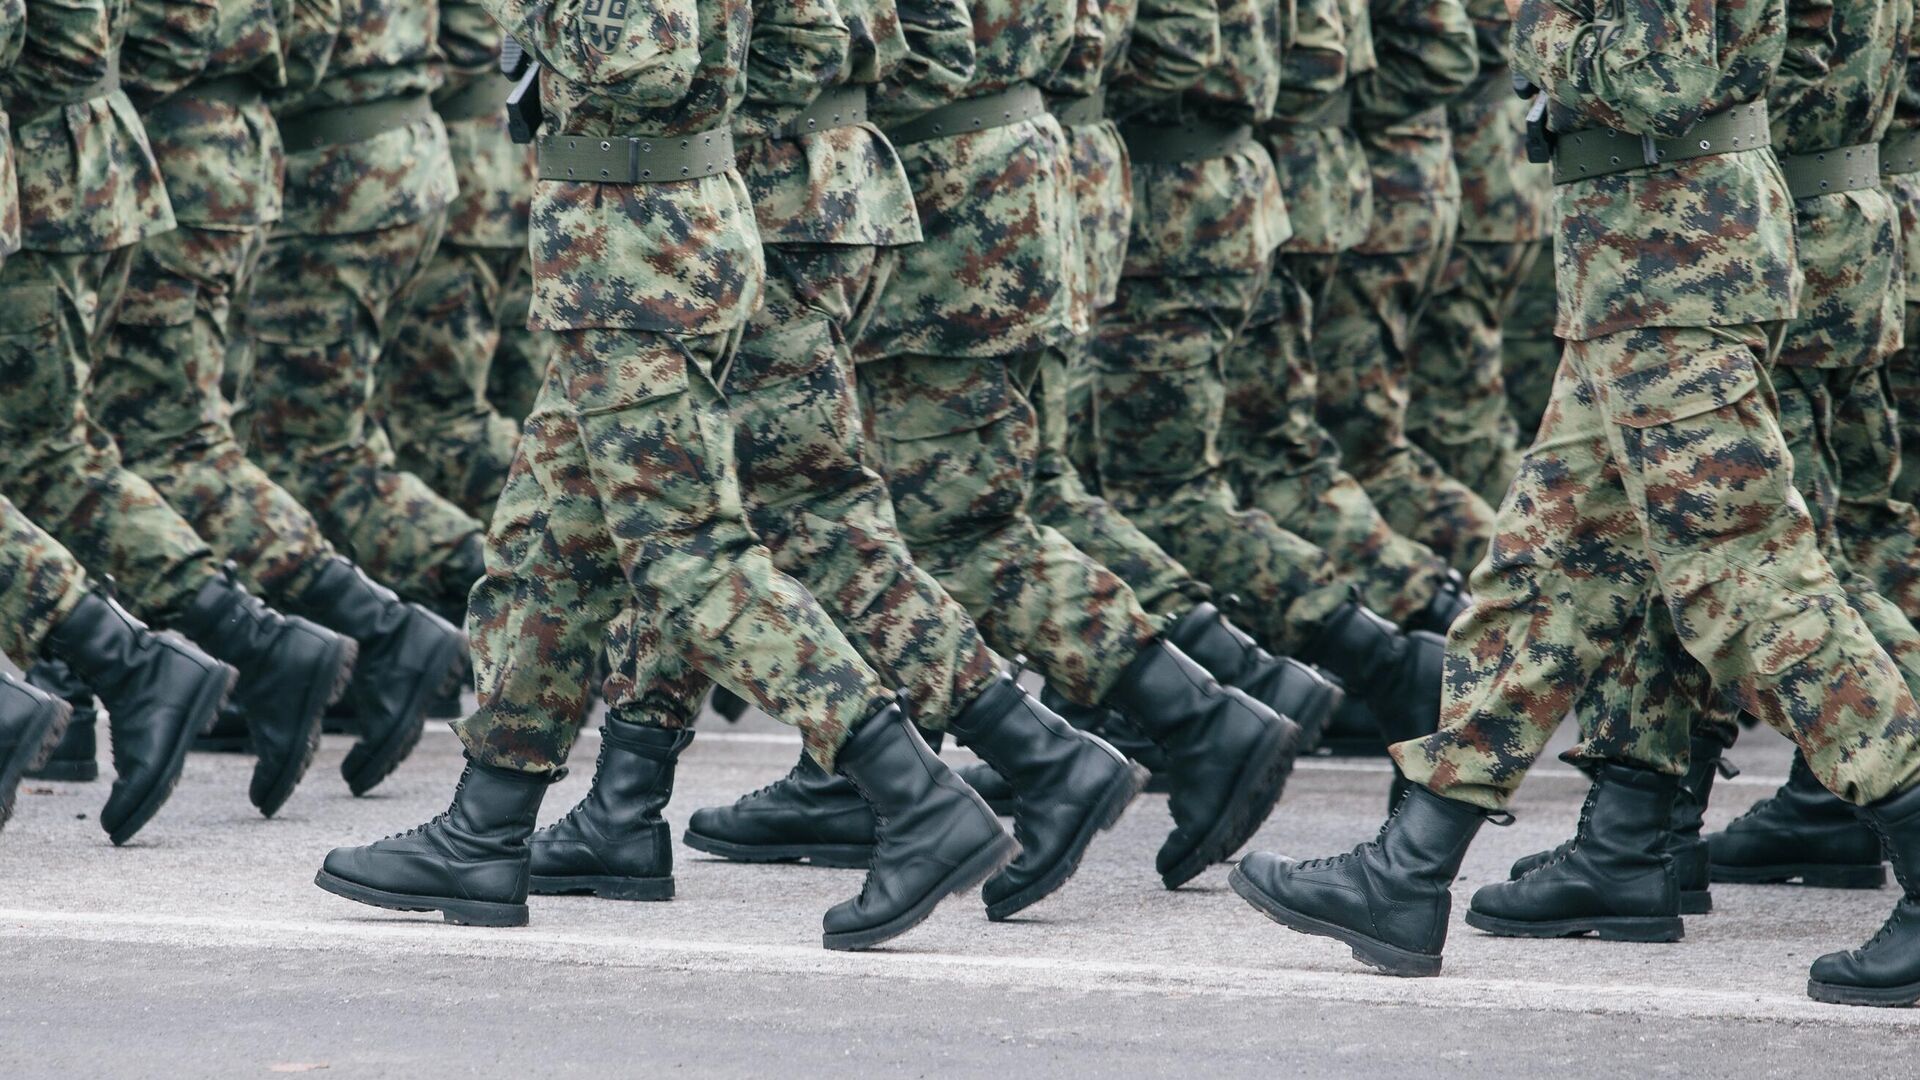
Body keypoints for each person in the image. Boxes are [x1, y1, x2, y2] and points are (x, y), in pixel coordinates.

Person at [1229, 0, 1920, 1009]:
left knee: (1745, 574)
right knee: (1545, 568)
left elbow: (1668, 73)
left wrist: (1534, 30)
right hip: (1640, 253)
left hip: (1676, 251)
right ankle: (1409, 870)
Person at [312, 0, 1021, 953]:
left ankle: (913, 793)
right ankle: (486, 829)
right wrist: (703, 135)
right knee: (548, 540)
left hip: (633, 241)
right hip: (658, 225)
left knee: (687, 554)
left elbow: (640, 56)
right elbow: (803, 43)